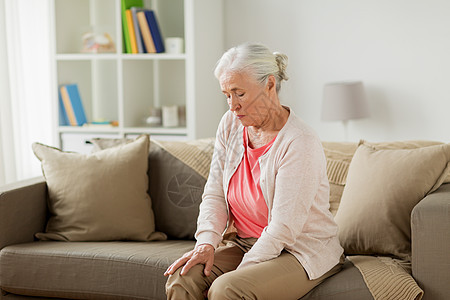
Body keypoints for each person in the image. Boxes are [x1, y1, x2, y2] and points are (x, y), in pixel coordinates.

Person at [164, 43, 344, 300]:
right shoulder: (230, 124)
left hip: (298, 249)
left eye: (239, 93)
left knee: (227, 289)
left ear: (270, 85)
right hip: (243, 242)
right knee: (182, 277)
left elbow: (284, 228)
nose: (232, 106)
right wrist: (205, 244)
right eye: (226, 94)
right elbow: (215, 192)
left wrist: (240, 271)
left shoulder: (299, 141)